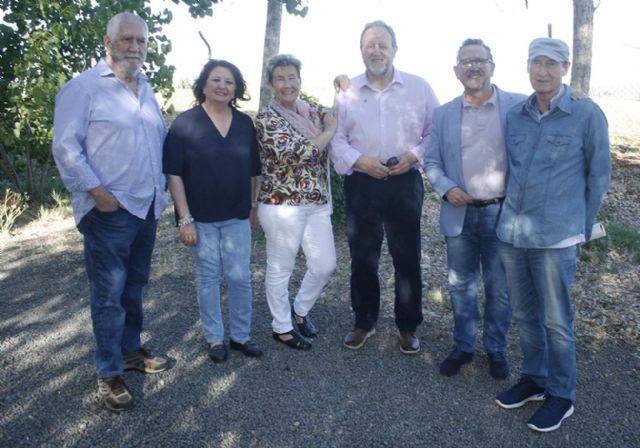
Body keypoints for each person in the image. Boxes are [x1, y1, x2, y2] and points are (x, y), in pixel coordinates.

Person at [52, 12, 169, 412]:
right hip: (110, 212)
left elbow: (157, 143)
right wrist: (98, 193)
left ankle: (130, 351)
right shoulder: (83, 89)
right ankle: (108, 371)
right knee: (108, 295)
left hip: (146, 208)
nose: (135, 47)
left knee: (134, 288)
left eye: (141, 41)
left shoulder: (146, 88)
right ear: (108, 42)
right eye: (127, 40)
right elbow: (66, 148)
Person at [495, 38, 611, 432]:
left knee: (557, 320)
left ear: (565, 67)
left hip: (557, 238)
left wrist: (579, 229)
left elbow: (598, 178)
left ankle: (562, 395)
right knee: (525, 314)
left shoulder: (586, 114)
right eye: (535, 63)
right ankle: (535, 378)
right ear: (527, 67)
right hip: (512, 232)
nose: (542, 71)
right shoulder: (517, 114)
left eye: (551, 63)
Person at [331, 20, 439, 354]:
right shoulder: (346, 92)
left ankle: (408, 326)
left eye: (382, 44)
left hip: (404, 181)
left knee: (406, 257)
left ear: (394, 49)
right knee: (363, 257)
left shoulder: (419, 88)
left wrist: (413, 156)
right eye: (369, 45)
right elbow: (335, 136)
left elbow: (435, 132)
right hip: (362, 182)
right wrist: (360, 161)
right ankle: (364, 321)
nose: (376, 50)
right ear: (361, 50)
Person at [425, 39, 525, 378]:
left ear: (492, 66)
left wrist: (575, 95)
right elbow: (431, 161)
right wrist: (446, 187)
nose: (473, 66)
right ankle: (464, 346)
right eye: (466, 61)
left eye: (479, 60)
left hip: (503, 213)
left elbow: (554, 109)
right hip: (460, 214)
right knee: (460, 285)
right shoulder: (443, 114)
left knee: (499, 288)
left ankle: (496, 349)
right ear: (456, 71)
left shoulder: (518, 106)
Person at [163, 60, 262, 363]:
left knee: (240, 277)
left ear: (236, 88)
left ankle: (241, 337)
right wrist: (185, 218)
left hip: (237, 215)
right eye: (216, 79)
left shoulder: (245, 124)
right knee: (208, 277)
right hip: (200, 219)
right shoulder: (185, 123)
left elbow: (254, 171)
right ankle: (214, 338)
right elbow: (174, 174)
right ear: (204, 84)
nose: (222, 86)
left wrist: (253, 206)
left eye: (229, 81)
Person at [255, 54, 338, 350]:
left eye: (292, 77)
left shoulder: (310, 111)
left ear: (300, 81)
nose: (287, 84)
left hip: (316, 201)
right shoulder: (267, 119)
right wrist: (329, 131)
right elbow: (302, 152)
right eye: (280, 78)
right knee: (280, 268)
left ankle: (299, 310)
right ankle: (282, 327)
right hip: (282, 204)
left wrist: (340, 88)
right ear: (270, 84)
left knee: (325, 264)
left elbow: (334, 111)